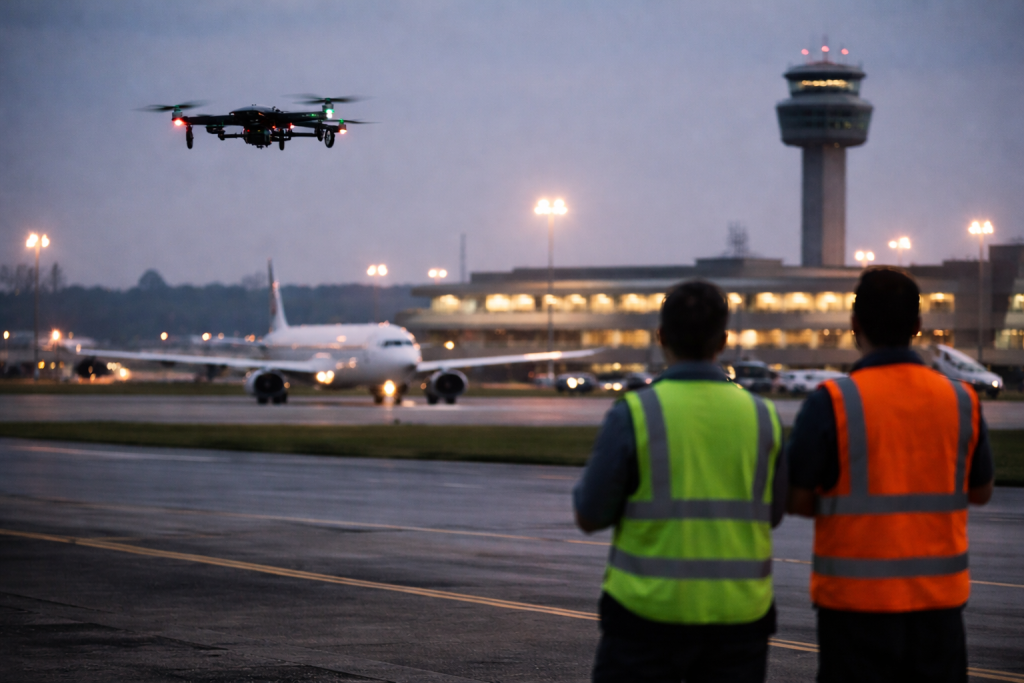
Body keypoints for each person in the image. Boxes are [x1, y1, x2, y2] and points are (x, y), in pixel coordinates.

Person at [786, 267, 995, 683]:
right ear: (918, 327)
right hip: (939, 608)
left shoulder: (832, 401)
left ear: (854, 326)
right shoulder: (960, 399)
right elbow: (982, 491)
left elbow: (797, 499)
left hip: (855, 608)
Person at [574, 279, 786, 683]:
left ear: (661, 337)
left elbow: (589, 514)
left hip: (646, 620)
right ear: (723, 340)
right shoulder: (763, 416)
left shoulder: (634, 413)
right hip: (739, 618)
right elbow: (773, 514)